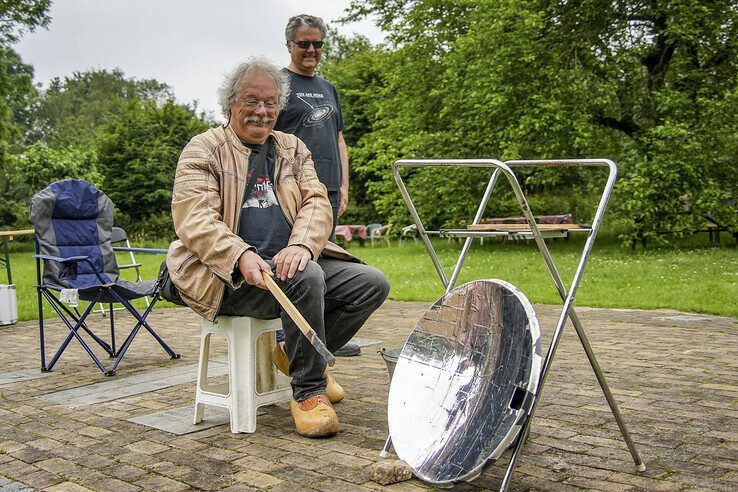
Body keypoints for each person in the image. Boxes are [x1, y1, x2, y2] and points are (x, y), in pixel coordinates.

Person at [163, 57, 390, 438]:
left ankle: (294, 355)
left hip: (289, 267)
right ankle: (308, 392)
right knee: (308, 277)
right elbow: (195, 219)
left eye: (270, 103)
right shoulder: (203, 149)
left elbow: (317, 201)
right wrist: (240, 254)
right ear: (231, 103)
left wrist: (301, 244)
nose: (262, 111)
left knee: (370, 283)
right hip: (225, 275)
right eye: (251, 101)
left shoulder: (292, 147)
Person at [275, 13, 360, 357]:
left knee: (325, 268)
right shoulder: (278, 85)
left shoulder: (329, 88)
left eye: (317, 44)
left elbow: (339, 139)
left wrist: (343, 185)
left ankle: (321, 341)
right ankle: (287, 343)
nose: (311, 50)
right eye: (304, 43)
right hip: (293, 193)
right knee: (297, 267)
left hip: (328, 192)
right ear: (289, 45)